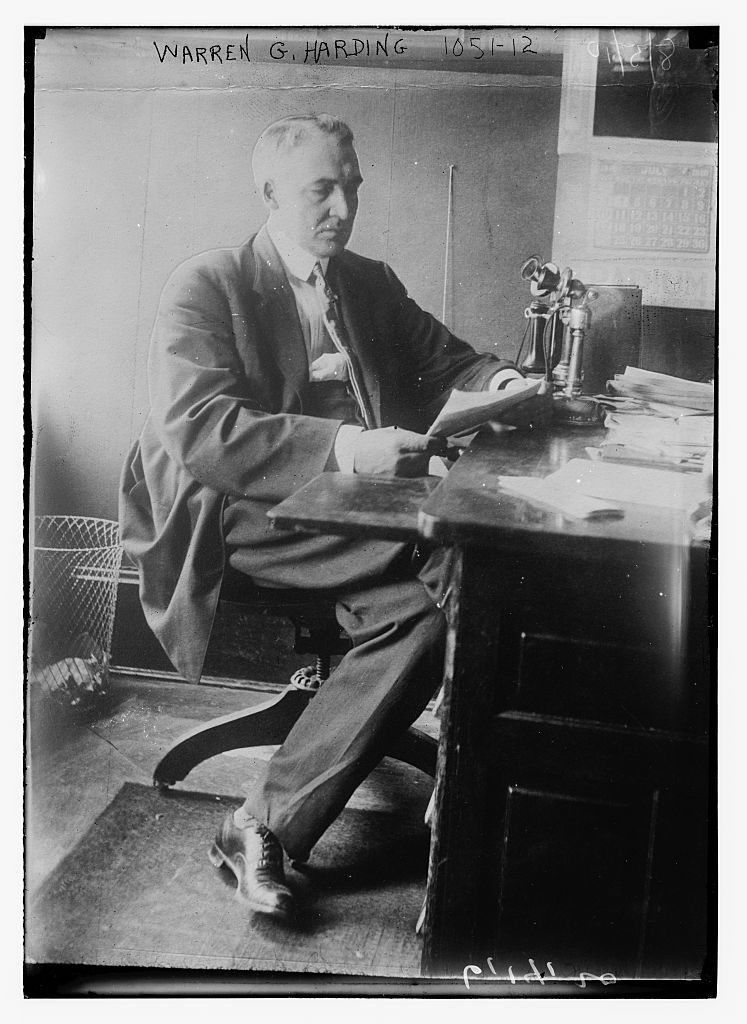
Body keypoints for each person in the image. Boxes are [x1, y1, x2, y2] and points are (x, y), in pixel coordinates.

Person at [120, 113, 549, 921]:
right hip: (230, 510)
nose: (342, 209)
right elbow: (203, 428)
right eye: (322, 190)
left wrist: (499, 387)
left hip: (348, 511)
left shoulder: (367, 282)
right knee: (459, 561)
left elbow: (451, 359)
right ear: (271, 194)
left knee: (426, 613)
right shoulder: (209, 283)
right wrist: (350, 449)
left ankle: (261, 824)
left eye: (350, 187)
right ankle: (479, 784)